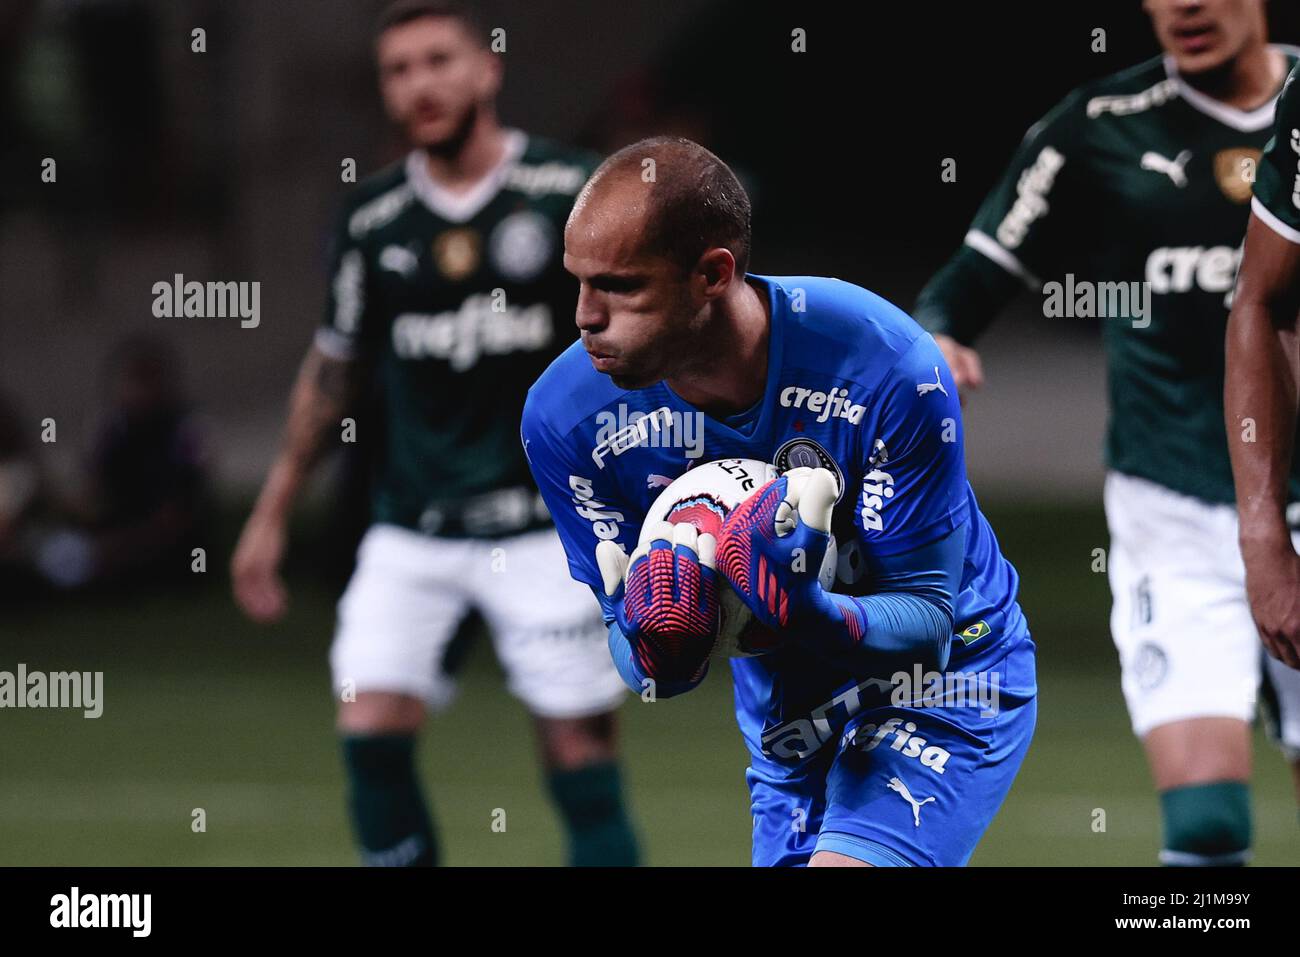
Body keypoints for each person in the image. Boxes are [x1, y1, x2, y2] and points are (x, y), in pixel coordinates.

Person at [523, 136, 1036, 866]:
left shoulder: (886, 364)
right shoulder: (564, 418)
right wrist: (661, 647)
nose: (584, 316)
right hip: (789, 718)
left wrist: (807, 610)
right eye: (577, 282)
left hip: (948, 682)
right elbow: (630, 647)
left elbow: (928, 619)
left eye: (621, 286)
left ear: (712, 273)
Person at [231, 0, 636, 867]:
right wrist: (271, 512)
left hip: (550, 531)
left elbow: (651, 347)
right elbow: (332, 371)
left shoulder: (572, 194)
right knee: (368, 730)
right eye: (399, 69)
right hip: (412, 524)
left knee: (580, 753)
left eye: (437, 60)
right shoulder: (372, 221)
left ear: (486, 69)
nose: (420, 83)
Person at [913, 0, 1300, 864]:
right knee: (1207, 827)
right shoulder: (1098, 126)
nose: (1186, 6)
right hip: (1173, 495)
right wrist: (939, 335)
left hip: (1297, 492)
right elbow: (972, 275)